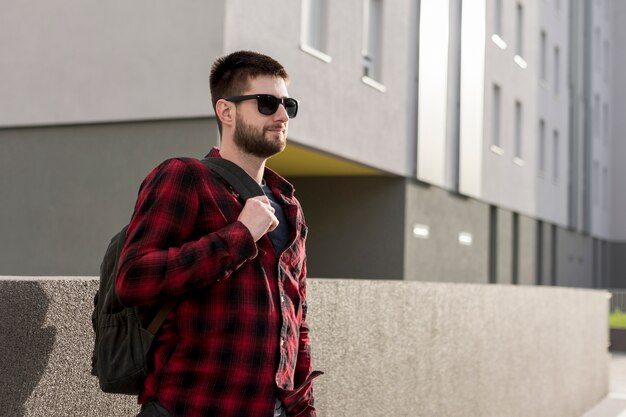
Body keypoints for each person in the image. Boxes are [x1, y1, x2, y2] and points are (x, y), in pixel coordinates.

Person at [115, 50, 321, 417]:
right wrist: (240, 234)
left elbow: (297, 315)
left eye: (288, 104)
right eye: (267, 103)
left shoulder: (288, 204)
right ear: (226, 111)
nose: (281, 115)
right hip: (191, 406)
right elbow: (134, 277)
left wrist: (302, 408)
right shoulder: (185, 177)